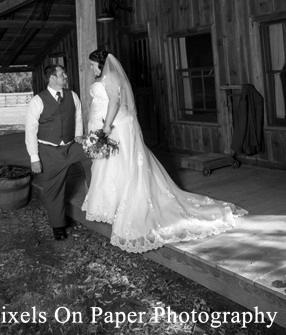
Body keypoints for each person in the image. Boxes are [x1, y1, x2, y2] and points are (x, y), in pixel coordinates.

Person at [81, 49, 247, 253]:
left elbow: (114, 102)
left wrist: (106, 126)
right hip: (109, 123)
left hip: (115, 125)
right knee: (112, 164)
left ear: (100, 63)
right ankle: (112, 206)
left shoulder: (110, 77)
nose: (90, 67)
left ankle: (127, 206)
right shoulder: (106, 77)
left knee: (123, 163)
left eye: (92, 64)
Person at [25, 64, 92, 241]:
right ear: (52, 78)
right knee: (53, 190)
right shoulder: (38, 101)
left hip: (71, 146)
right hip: (49, 150)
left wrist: (78, 135)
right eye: (62, 74)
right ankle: (58, 226)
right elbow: (30, 130)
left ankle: (96, 199)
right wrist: (34, 158)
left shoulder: (72, 95)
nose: (66, 76)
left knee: (93, 158)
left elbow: (78, 116)